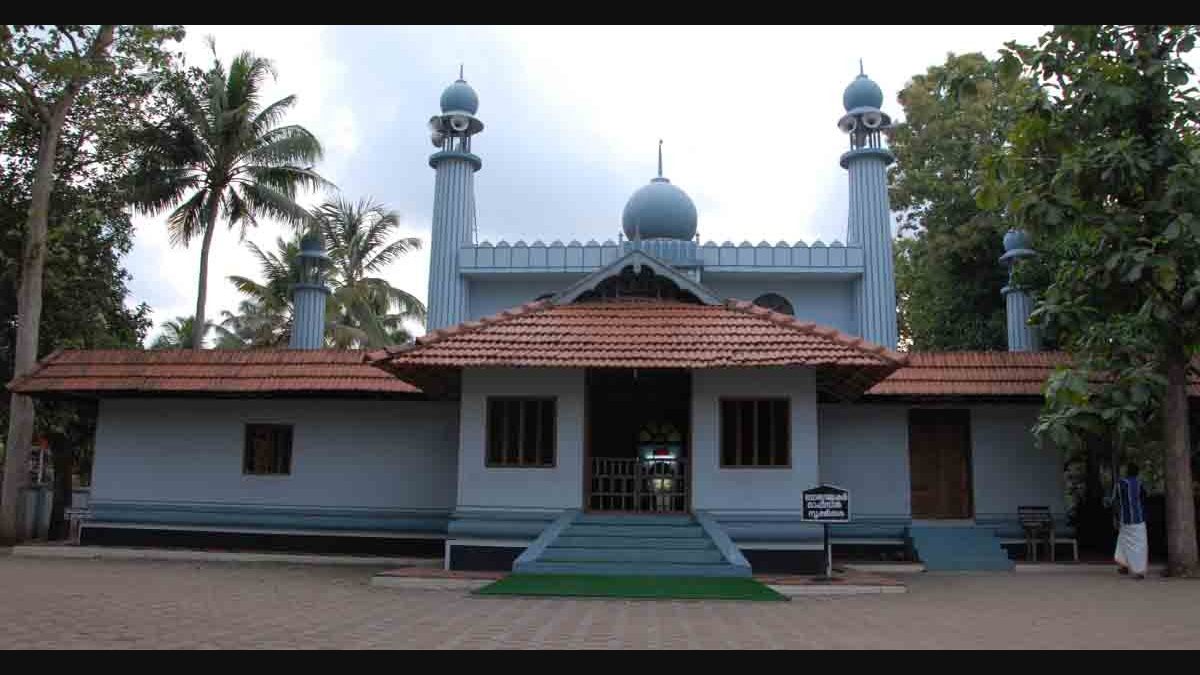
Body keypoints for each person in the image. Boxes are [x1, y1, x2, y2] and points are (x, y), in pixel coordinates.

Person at [1110, 463, 1149, 579]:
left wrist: (1115, 517)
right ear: (1137, 473)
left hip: (1125, 519)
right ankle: (1137, 570)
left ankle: (1126, 566)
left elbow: (1114, 502)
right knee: (1139, 545)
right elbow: (1144, 499)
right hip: (1139, 519)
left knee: (1123, 541)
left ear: (1127, 472)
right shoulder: (1140, 484)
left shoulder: (1120, 484)